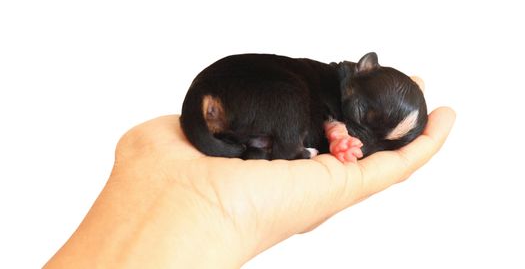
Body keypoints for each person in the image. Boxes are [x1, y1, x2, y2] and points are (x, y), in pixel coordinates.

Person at [44, 78, 455, 268]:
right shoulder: (316, 86)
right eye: (367, 123)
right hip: (244, 91)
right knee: (292, 105)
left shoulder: (337, 100)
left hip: (236, 105)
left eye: (386, 142)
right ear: (356, 78)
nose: (370, 144)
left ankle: (263, 141)